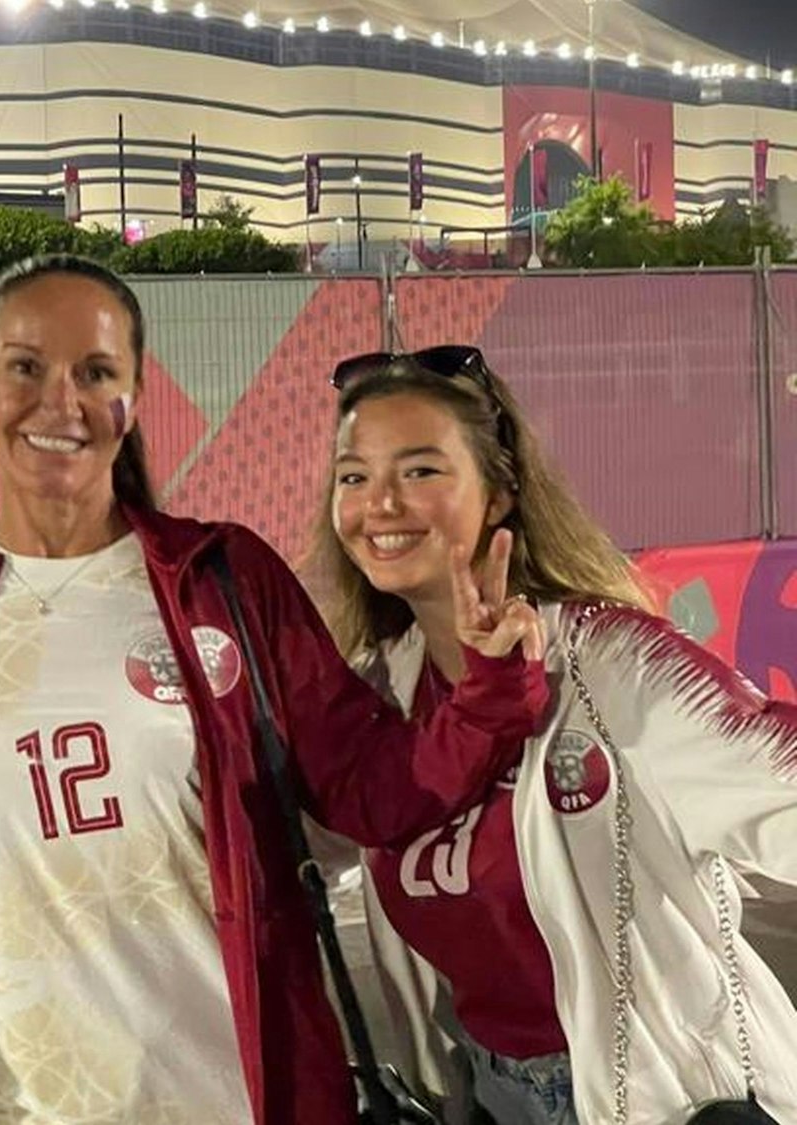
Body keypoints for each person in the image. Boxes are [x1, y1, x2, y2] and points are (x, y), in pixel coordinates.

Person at [0, 253, 548, 1125]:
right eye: (25, 366)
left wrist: (489, 688)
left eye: (95, 371)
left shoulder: (224, 580)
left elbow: (375, 789)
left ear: (134, 396)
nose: (60, 401)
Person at [314, 346, 797, 1124]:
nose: (382, 504)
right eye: (353, 476)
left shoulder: (612, 664)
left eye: (421, 470)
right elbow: (278, 847)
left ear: (499, 493)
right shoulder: (375, 692)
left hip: (663, 1097)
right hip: (488, 1093)